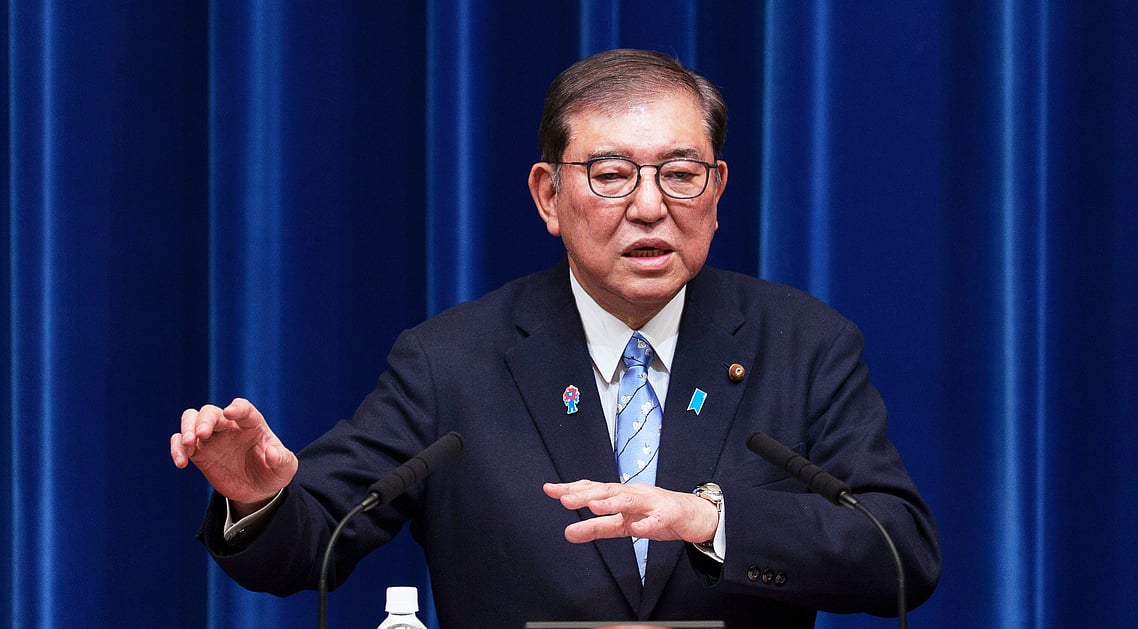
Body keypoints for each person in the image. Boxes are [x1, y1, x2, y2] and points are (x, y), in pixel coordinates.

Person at [170, 48, 940, 629]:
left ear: (716, 190)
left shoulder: (803, 343)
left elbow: (900, 551)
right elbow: (315, 542)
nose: (649, 206)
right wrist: (261, 498)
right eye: (611, 174)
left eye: (680, 173)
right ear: (549, 195)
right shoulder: (451, 362)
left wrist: (711, 520)